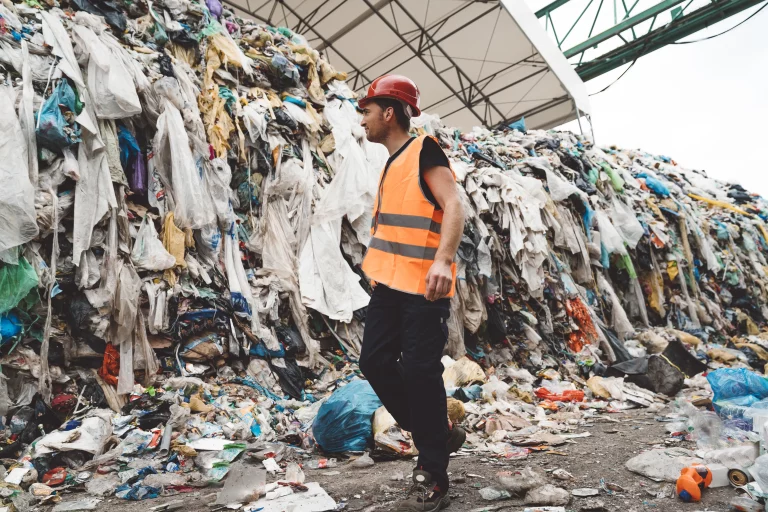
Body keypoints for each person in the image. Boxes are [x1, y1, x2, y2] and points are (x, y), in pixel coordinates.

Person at [357, 74, 466, 511]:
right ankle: (436, 432)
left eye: (366, 111)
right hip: (389, 285)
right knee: (373, 362)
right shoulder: (390, 163)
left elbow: (453, 204)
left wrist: (443, 260)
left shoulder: (424, 149)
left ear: (389, 112)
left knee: (421, 372)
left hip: (425, 286)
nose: (361, 120)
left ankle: (433, 473)